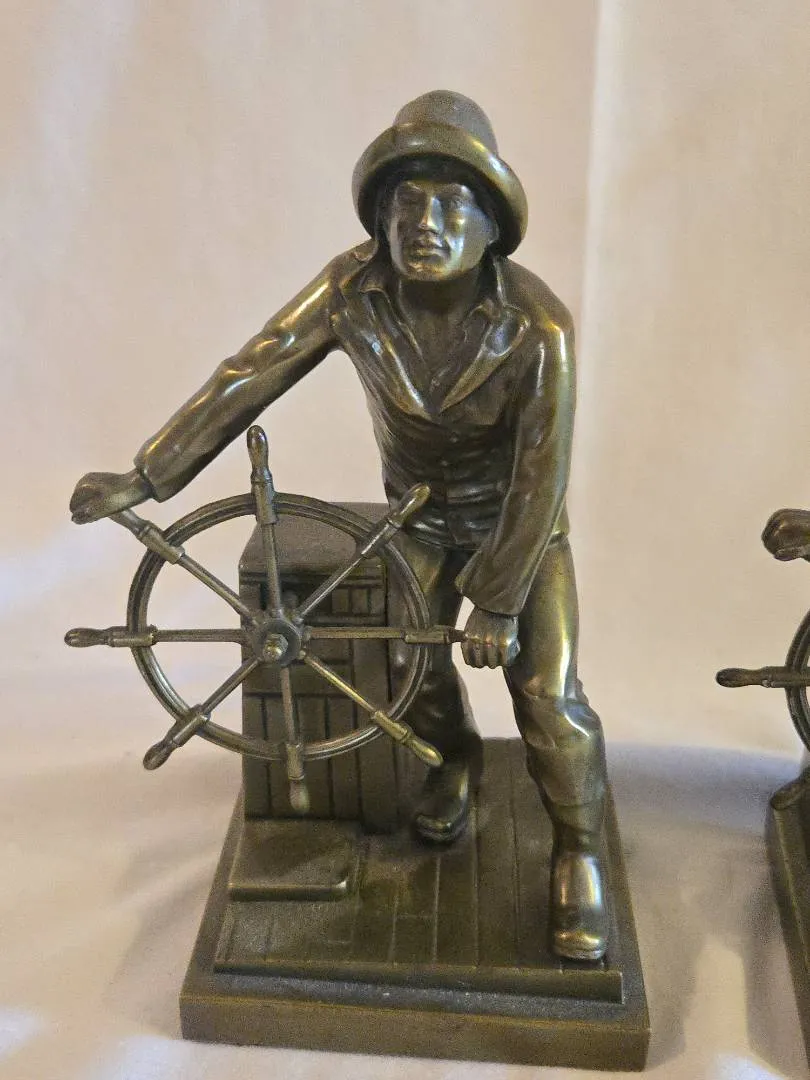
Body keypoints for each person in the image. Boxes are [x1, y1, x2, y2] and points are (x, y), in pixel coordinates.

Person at [70, 91, 609, 961]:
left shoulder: (537, 328)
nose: (424, 225)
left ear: (492, 226)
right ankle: (455, 760)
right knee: (398, 662)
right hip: (416, 522)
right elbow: (250, 373)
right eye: (405, 205)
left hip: (520, 532)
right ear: (379, 220)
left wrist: (501, 600)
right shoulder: (349, 292)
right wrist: (148, 475)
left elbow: (542, 477)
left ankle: (578, 848)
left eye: (450, 206)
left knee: (548, 694)